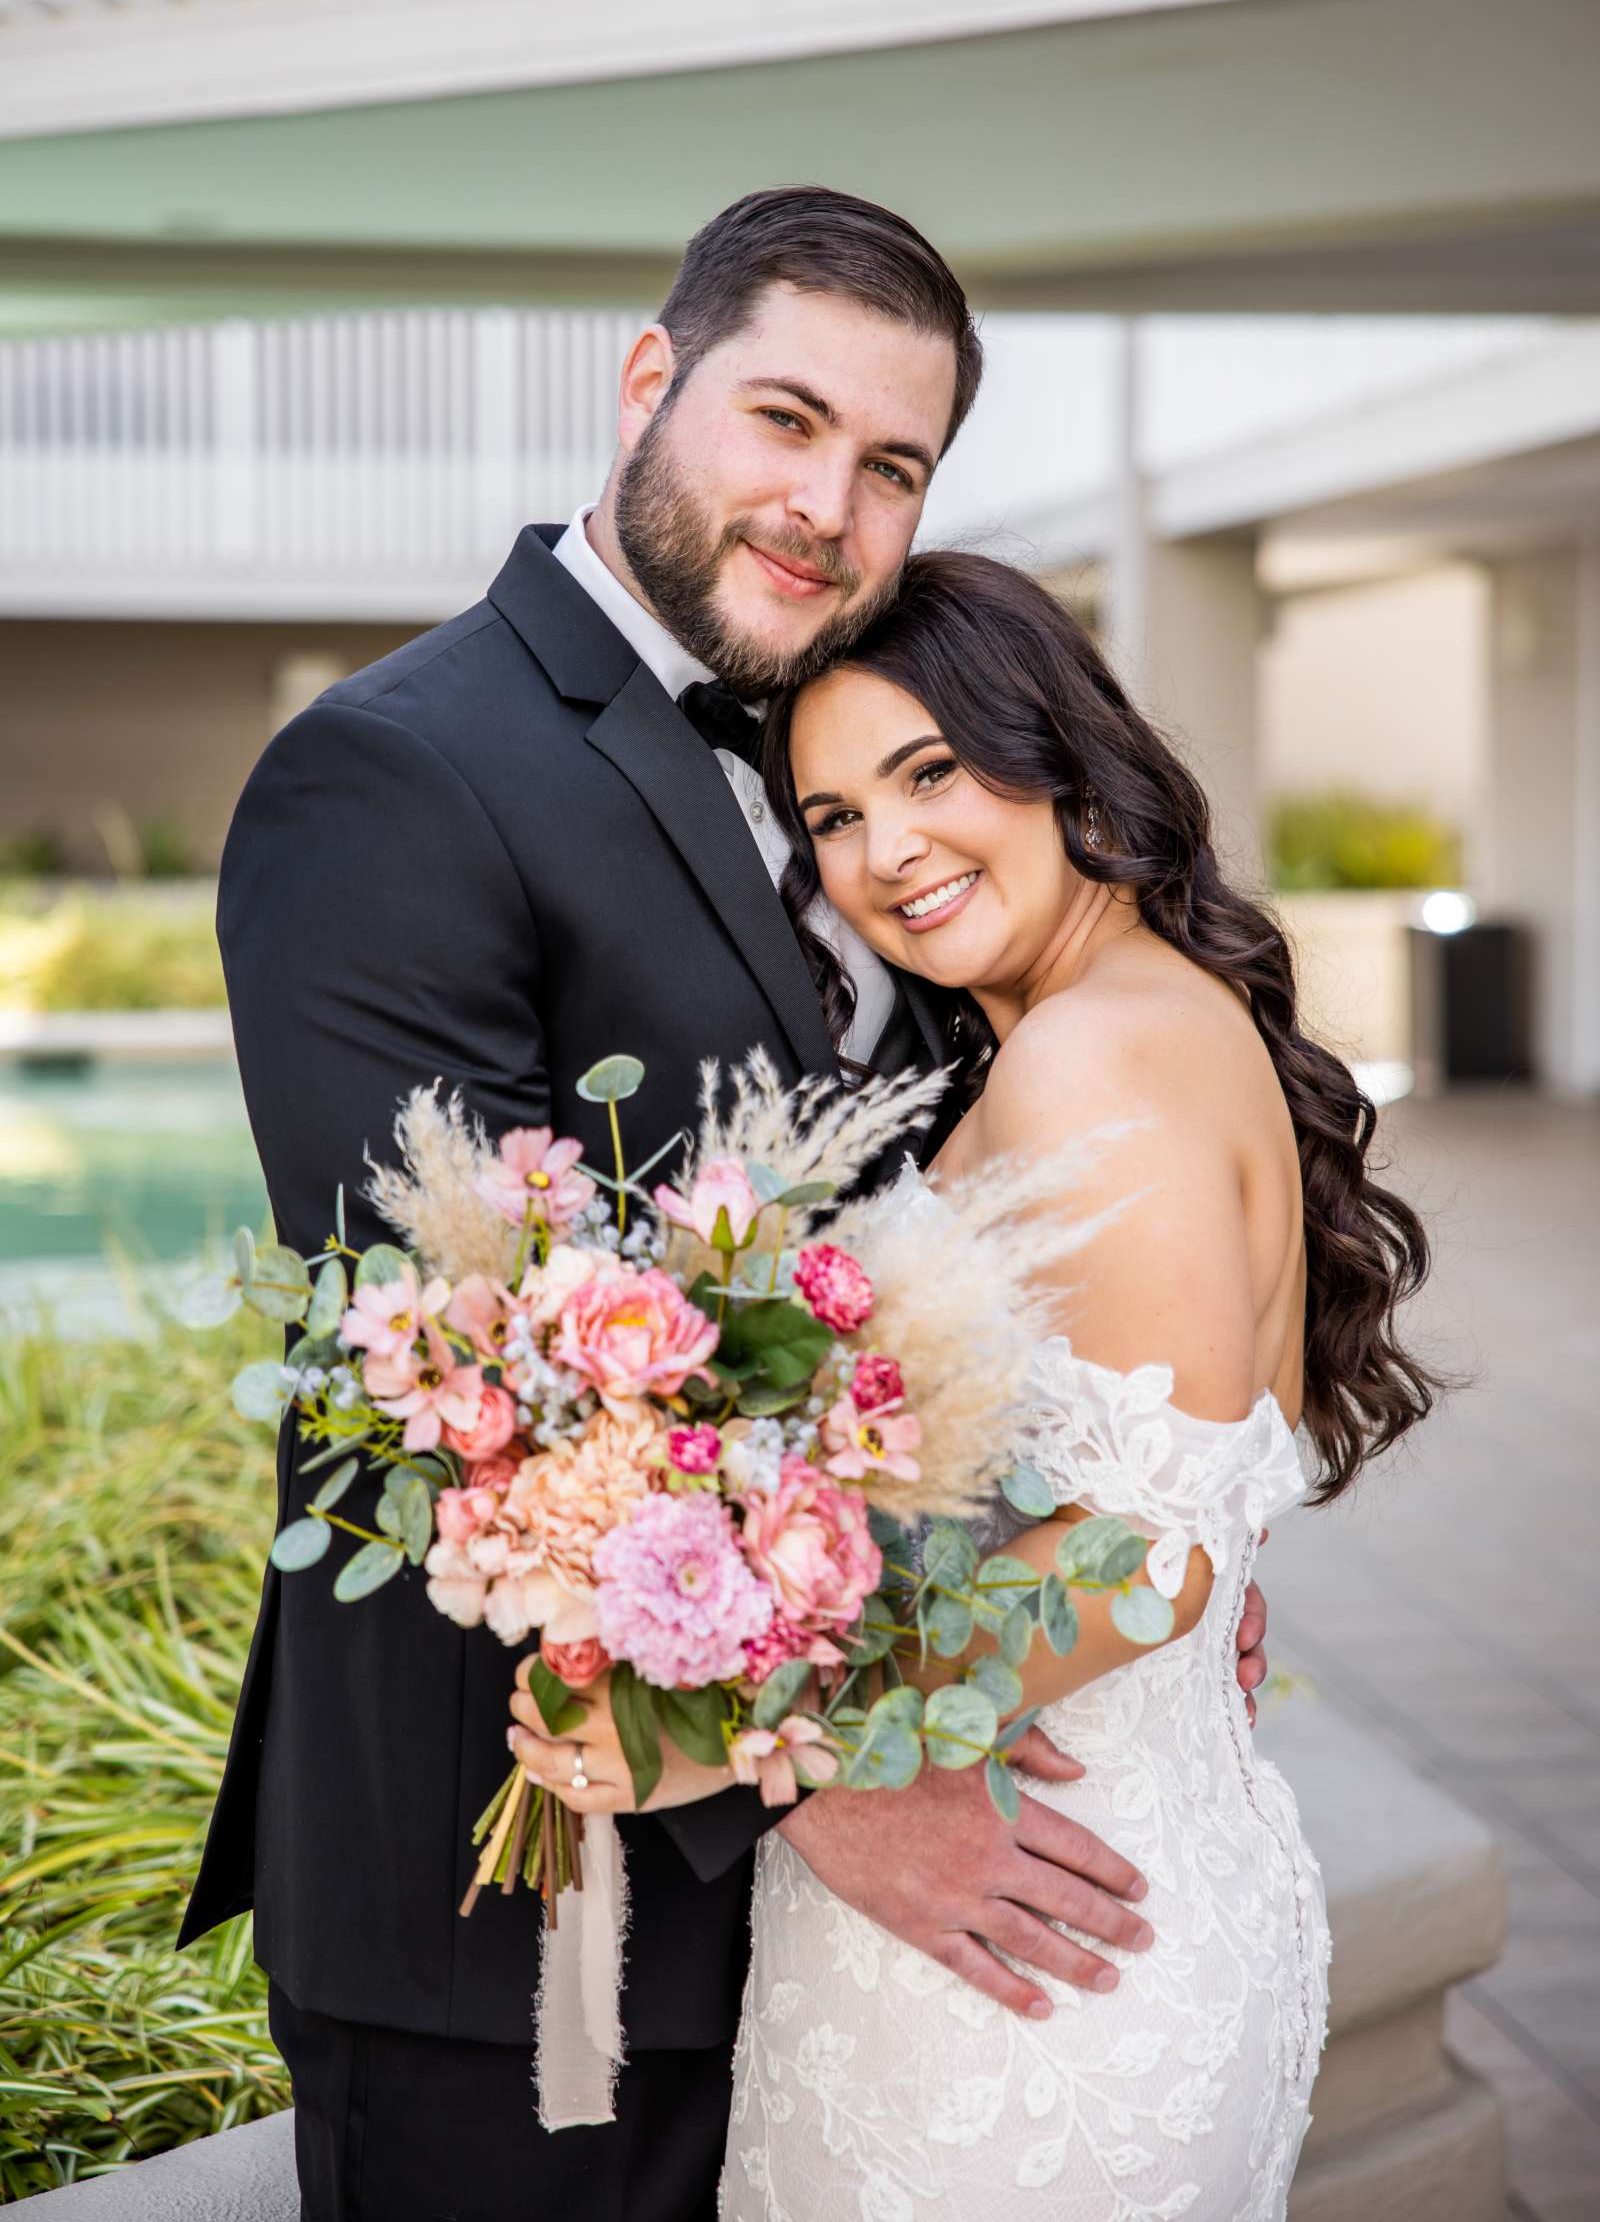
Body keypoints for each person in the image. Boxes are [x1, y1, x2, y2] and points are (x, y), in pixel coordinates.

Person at [182, 188, 1271, 2222]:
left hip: (850, 1907)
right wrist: (814, 1778)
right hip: (515, 1908)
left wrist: (1122, 1538)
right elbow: (455, 1372)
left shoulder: (868, 758)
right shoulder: (397, 773)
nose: (825, 504)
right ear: (647, 384)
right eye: (782, 420)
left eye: (890, 467)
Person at [514, 552, 1438, 2217]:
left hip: (1033, 1960)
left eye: (930, 773)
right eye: (837, 818)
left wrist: (725, 1732)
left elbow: (1148, 1559)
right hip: (1078, 1886)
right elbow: (1184, 1512)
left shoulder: (1092, 1055)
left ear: (1064, 753)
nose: (889, 854)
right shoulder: (1121, 1020)